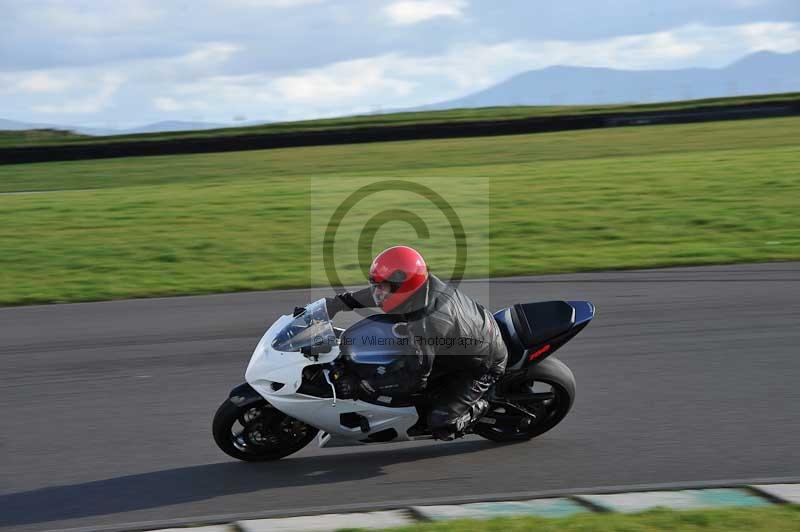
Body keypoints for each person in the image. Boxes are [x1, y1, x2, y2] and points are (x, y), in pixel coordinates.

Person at [325, 245, 508, 440]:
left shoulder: (427, 322)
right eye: (376, 285)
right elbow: (378, 293)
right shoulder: (419, 288)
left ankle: (481, 407)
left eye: (382, 287)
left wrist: (365, 385)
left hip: (483, 364)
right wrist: (337, 304)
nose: (377, 293)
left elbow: (415, 378)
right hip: (466, 337)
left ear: (403, 288)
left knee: (441, 422)